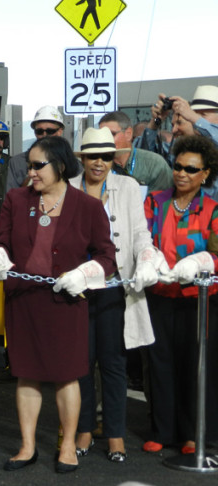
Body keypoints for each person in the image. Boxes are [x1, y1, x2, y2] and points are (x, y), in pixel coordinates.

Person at [0, 136, 116, 473]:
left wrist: (84, 273)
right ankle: (27, 447)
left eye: (37, 165)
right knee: (26, 375)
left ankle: (68, 446)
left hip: (65, 302)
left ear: (60, 165)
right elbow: (0, 240)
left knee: (66, 376)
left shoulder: (87, 206)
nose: (31, 172)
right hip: (24, 300)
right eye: (29, 165)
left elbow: (106, 256)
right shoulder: (16, 200)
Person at [69, 128, 164, 463]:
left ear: (114, 158)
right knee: (81, 362)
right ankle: (83, 429)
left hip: (114, 286)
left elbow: (139, 232)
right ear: (82, 158)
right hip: (78, 289)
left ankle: (115, 433)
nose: (100, 163)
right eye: (93, 156)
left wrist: (147, 255)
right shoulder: (68, 188)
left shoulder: (128, 187)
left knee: (113, 363)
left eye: (107, 156)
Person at [142, 135, 218, 455]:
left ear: (206, 174)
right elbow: (142, 238)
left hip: (199, 299)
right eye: (178, 166)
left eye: (191, 168)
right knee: (158, 362)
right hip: (160, 293)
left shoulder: (213, 210)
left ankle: (193, 433)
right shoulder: (155, 202)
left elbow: (217, 255)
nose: (182, 173)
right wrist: (148, 255)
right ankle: (162, 430)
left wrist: (199, 262)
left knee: (196, 364)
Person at [98, 111, 173, 193]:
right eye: (101, 135)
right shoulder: (96, 166)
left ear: (128, 134)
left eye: (111, 134)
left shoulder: (154, 164)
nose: (105, 139)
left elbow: (164, 201)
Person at [6, 105, 75, 191]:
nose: (44, 135)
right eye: (39, 131)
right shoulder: (17, 163)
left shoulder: (72, 162)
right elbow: (10, 199)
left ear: (60, 131)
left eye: (50, 131)